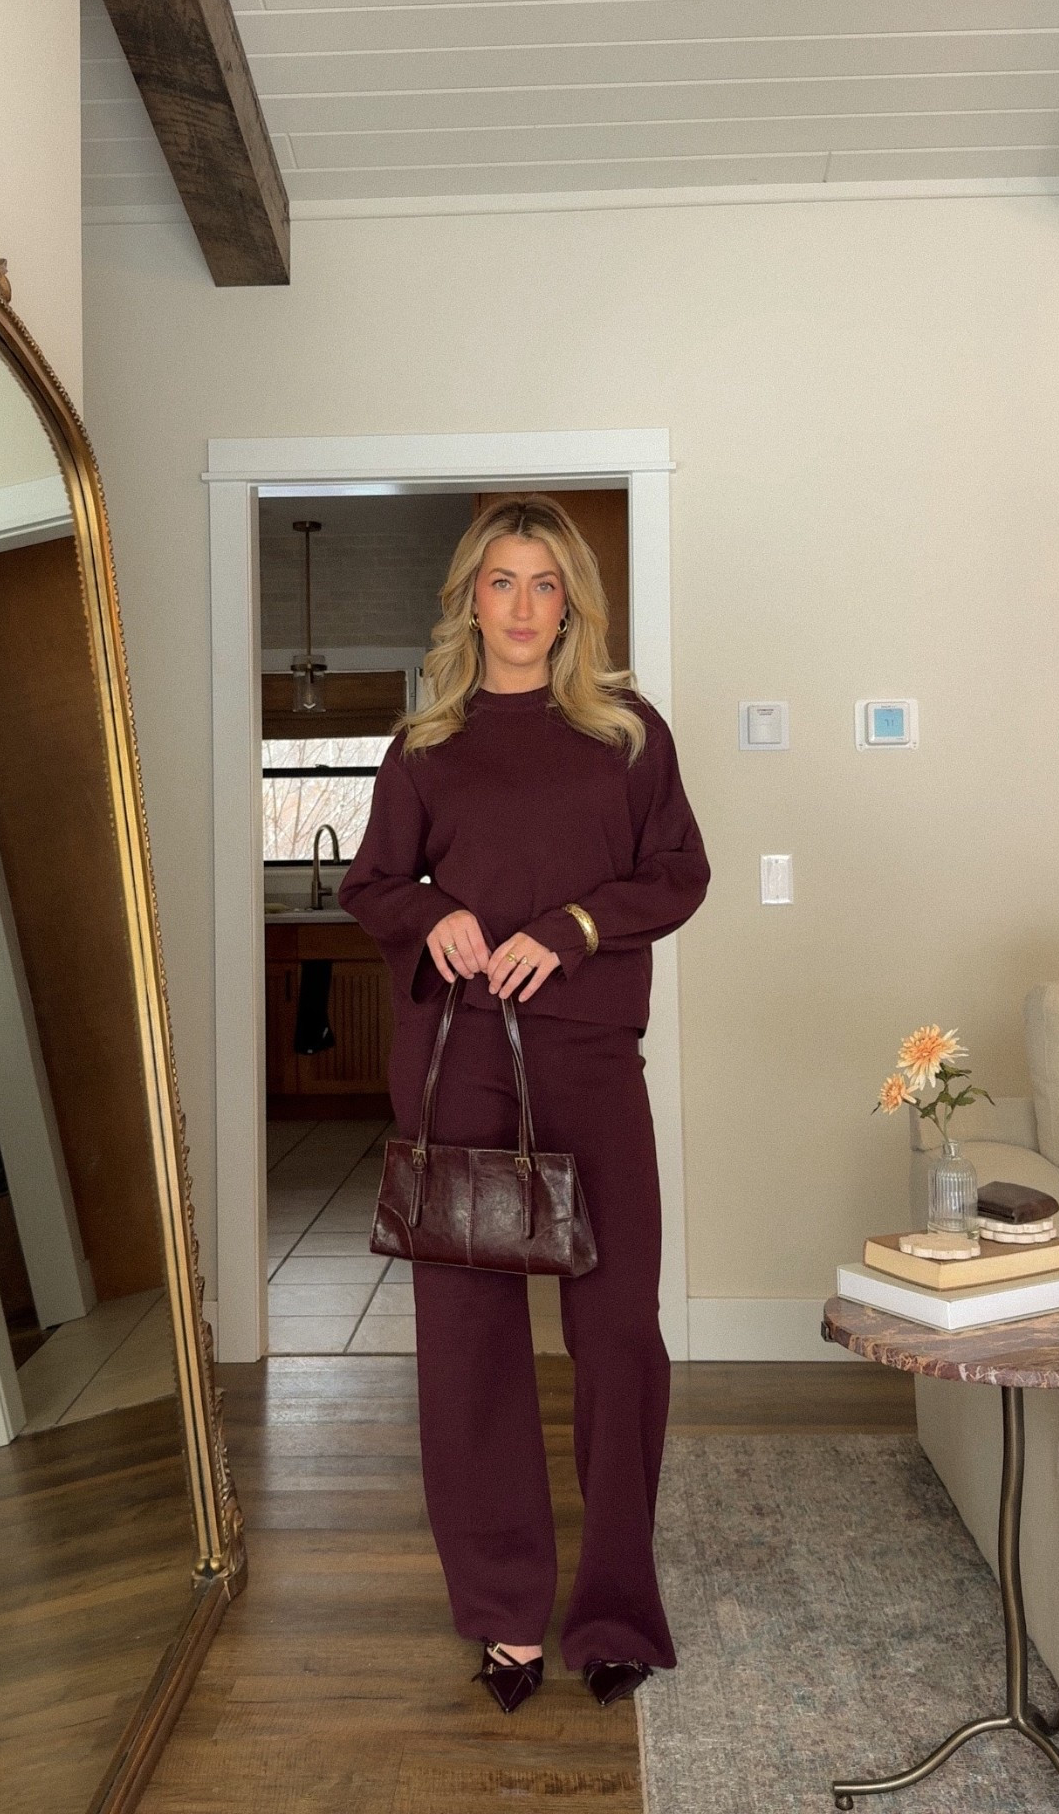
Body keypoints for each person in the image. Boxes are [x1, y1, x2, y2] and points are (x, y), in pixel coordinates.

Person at [338, 493, 710, 1715]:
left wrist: (577, 925)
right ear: (470, 598)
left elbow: (679, 871)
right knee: (468, 1343)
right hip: (459, 1064)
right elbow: (371, 880)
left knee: (618, 1333)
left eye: (546, 583)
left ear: (572, 606)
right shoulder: (425, 743)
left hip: (591, 1058)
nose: (523, 605)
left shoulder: (628, 734)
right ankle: (503, 1610)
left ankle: (617, 1607)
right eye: (502, 580)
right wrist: (431, 913)